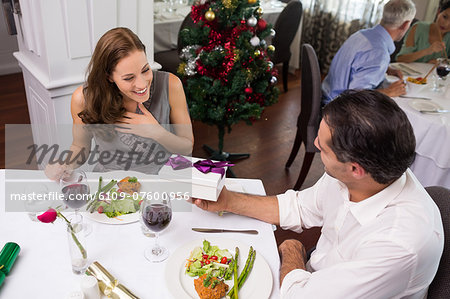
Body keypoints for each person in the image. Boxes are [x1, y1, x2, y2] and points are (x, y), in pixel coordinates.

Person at [194, 90, 444, 298]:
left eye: (322, 147)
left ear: (355, 169)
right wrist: (227, 200)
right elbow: (301, 207)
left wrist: (293, 251)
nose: (314, 143)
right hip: (313, 273)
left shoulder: (398, 245)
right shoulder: (360, 174)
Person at [45, 27, 193, 179]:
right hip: (110, 183)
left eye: (145, 70)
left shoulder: (171, 85)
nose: (142, 84)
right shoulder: (83, 99)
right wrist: (64, 165)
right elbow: (80, 147)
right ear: (109, 76)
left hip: (161, 179)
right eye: (129, 78)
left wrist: (156, 132)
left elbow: (186, 148)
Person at [321, 0, 416, 104]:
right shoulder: (378, 53)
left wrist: (386, 69)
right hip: (337, 108)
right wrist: (388, 92)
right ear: (406, 24)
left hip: (327, 93)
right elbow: (356, 98)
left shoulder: (362, 34)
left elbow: (357, 63)